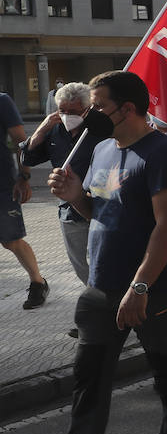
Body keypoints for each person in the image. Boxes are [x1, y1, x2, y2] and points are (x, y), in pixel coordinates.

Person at [16, 72, 167, 434]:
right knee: (88, 376)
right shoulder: (101, 149)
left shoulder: (164, 155)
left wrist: (141, 287)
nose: (90, 114)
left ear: (126, 108)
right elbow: (103, 210)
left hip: (152, 288)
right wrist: (75, 196)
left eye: (98, 106)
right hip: (101, 287)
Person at [22, 82, 111, 290]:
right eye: (62, 110)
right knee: (80, 265)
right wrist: (43, 127)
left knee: (103, 263)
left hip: (99, 206)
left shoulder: (101, 129)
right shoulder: (55, 130)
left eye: (74, 111)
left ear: (87, 109)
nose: (67, 115)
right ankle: (94, 303)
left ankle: (104, 306)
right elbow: (29, 157)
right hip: (68, 211)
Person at [0, 91, 48, 309]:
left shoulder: (2, 100)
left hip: (2, 184)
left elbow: (22, 141)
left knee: (11, 240)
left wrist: (24, 176)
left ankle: (37, 282)